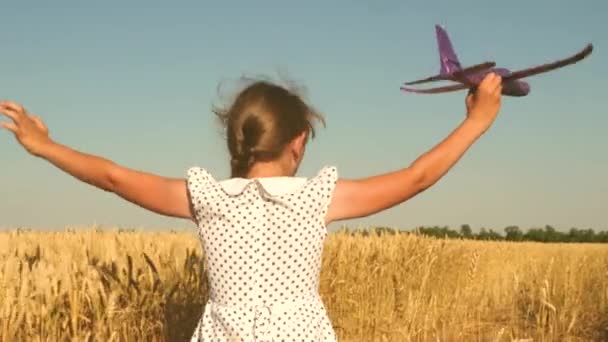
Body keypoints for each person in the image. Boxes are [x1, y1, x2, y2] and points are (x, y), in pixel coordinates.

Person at [0, 73, 502, 341]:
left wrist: (45, 146)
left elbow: (112, 177)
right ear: (299, 143)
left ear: (236, 140)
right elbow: (416, 178)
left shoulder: (208, 198)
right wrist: (478, 121)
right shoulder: (316, 198)